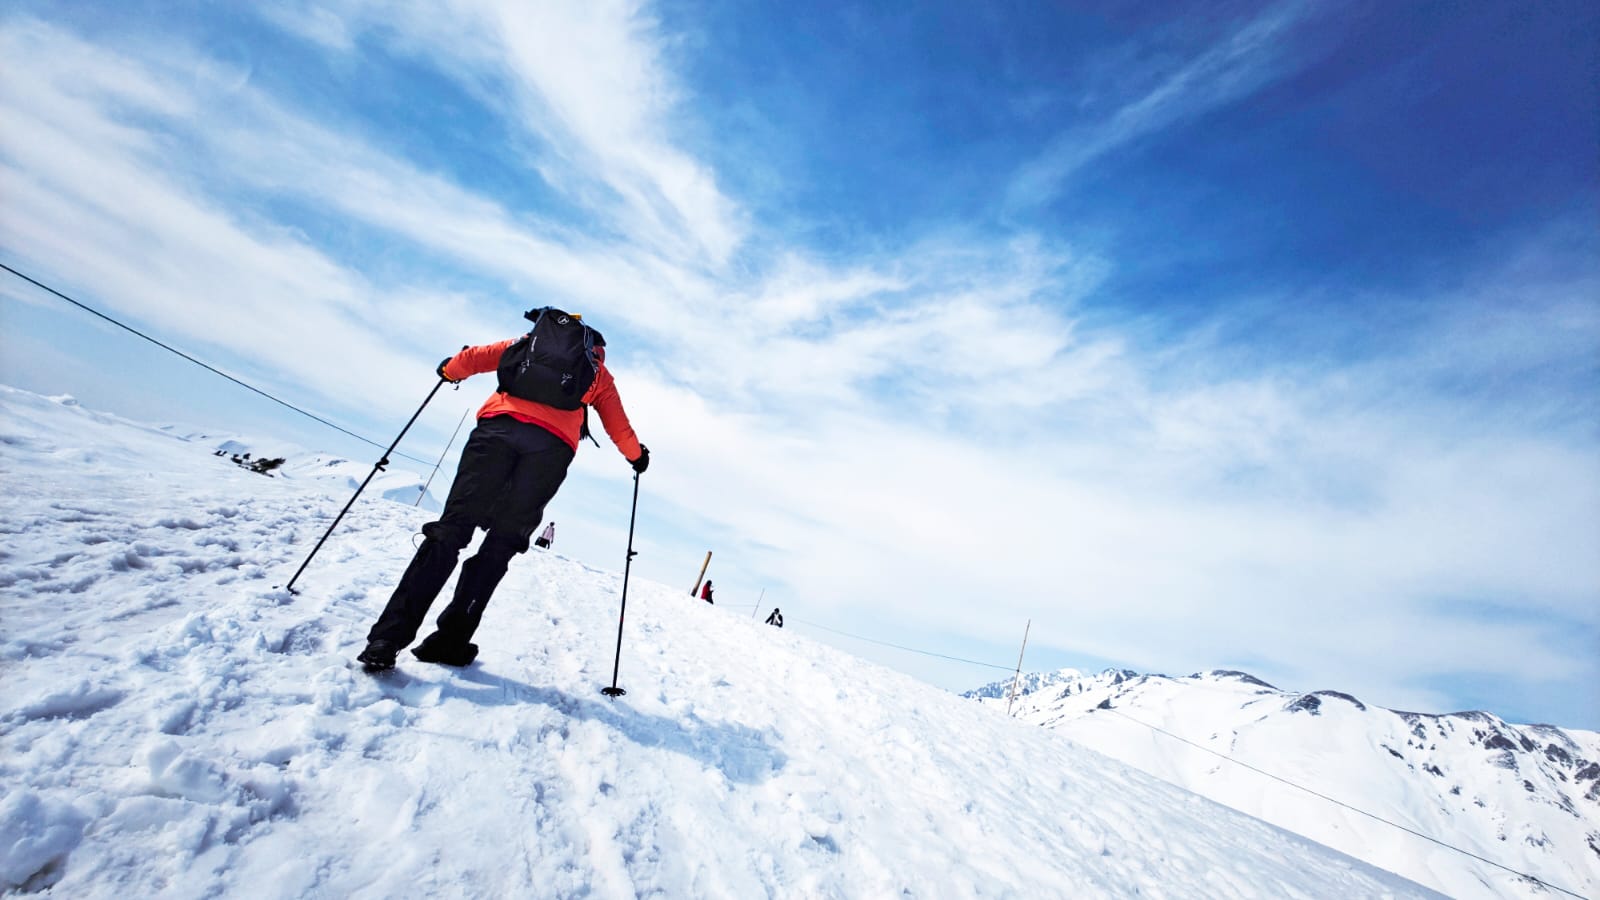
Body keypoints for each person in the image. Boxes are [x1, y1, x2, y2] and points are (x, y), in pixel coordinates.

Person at [357, 319, 648, 671]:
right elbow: (619, 425)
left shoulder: (526, 344)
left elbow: (474, 358)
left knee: (450, 532)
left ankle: (387, 638)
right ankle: (450, 639)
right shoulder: (597, 373)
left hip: (495, 432)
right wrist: (637, 456)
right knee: (500, 545)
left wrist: (449, 370)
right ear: (593, 346)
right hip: (550, 452)